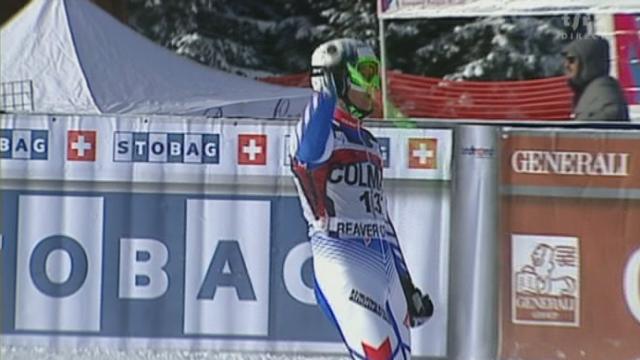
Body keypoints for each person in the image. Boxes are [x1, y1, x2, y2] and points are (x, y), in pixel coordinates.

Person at [289, 38, 433, 359]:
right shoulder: (319, 132)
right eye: (366, 72)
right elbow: (307, 155)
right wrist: (326, 93)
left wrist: (406, 283)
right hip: (342, 259)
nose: (372, 84)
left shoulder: (366, 140)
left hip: (382, 262)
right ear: (339, 77)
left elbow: (381, 219)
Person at [563, 36, 629, 121]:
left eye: (572, 60)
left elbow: (612, 116)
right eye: (565, 60)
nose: (566, 65)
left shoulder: (604, 90)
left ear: (588, 62)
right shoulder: (587, 90)